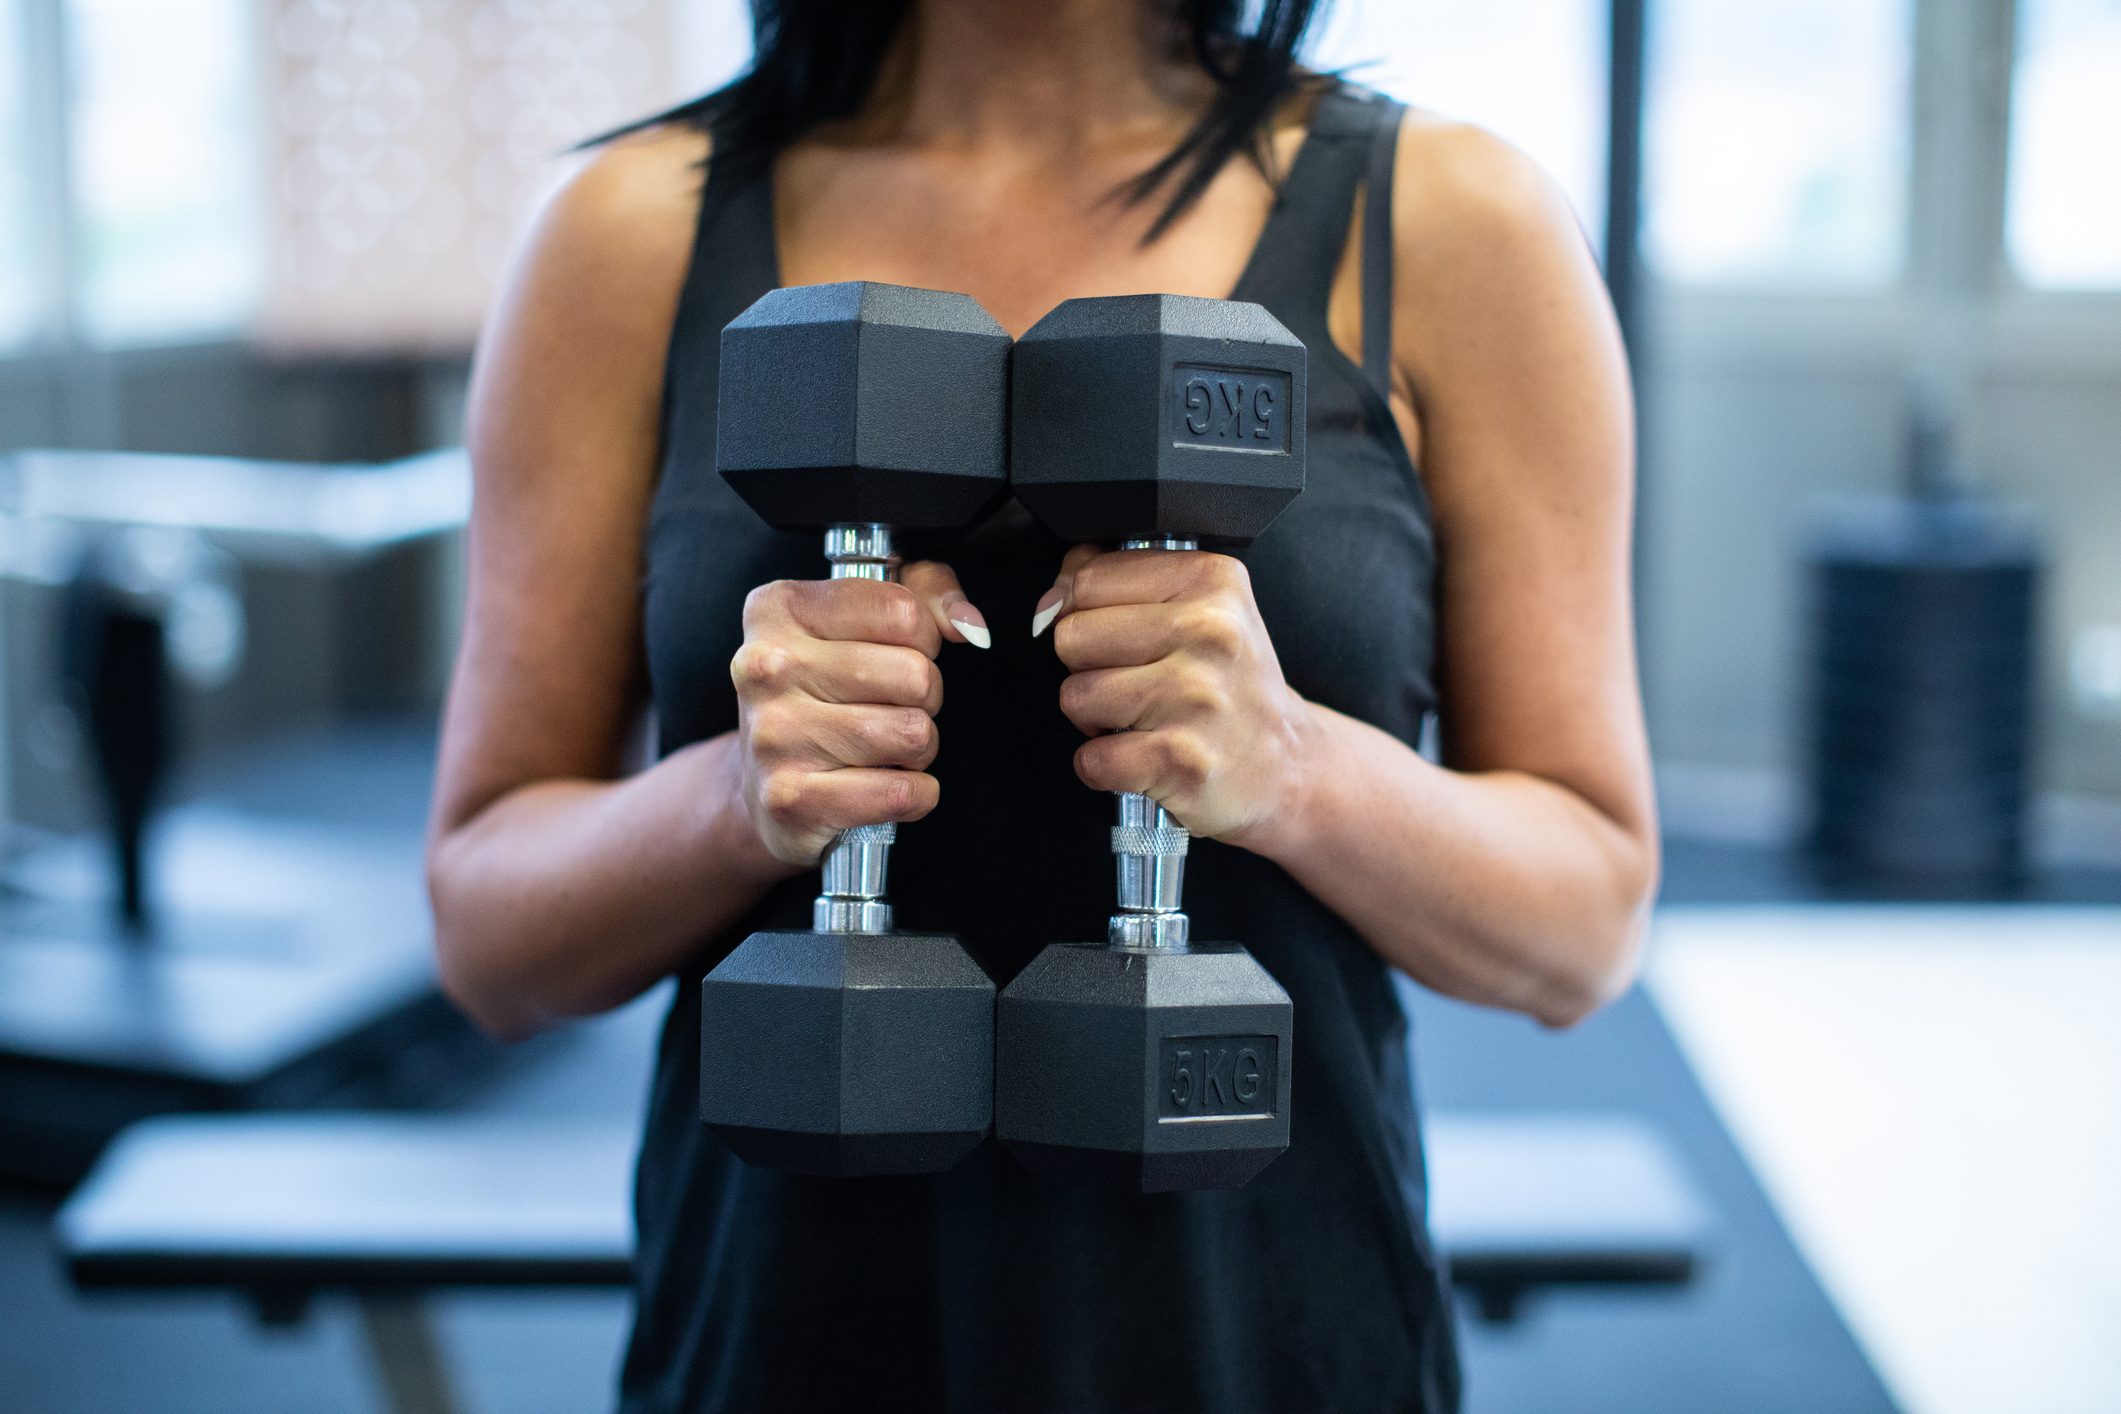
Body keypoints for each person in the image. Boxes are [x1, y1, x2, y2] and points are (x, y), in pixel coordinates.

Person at [426, 1, 1657, 1409]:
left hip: (1265, 1338)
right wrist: (734, 796)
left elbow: (1584, 921)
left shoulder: (1445, 222)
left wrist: (1298, 768)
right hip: (783, 1339)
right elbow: (487, 928)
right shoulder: (632, 230)